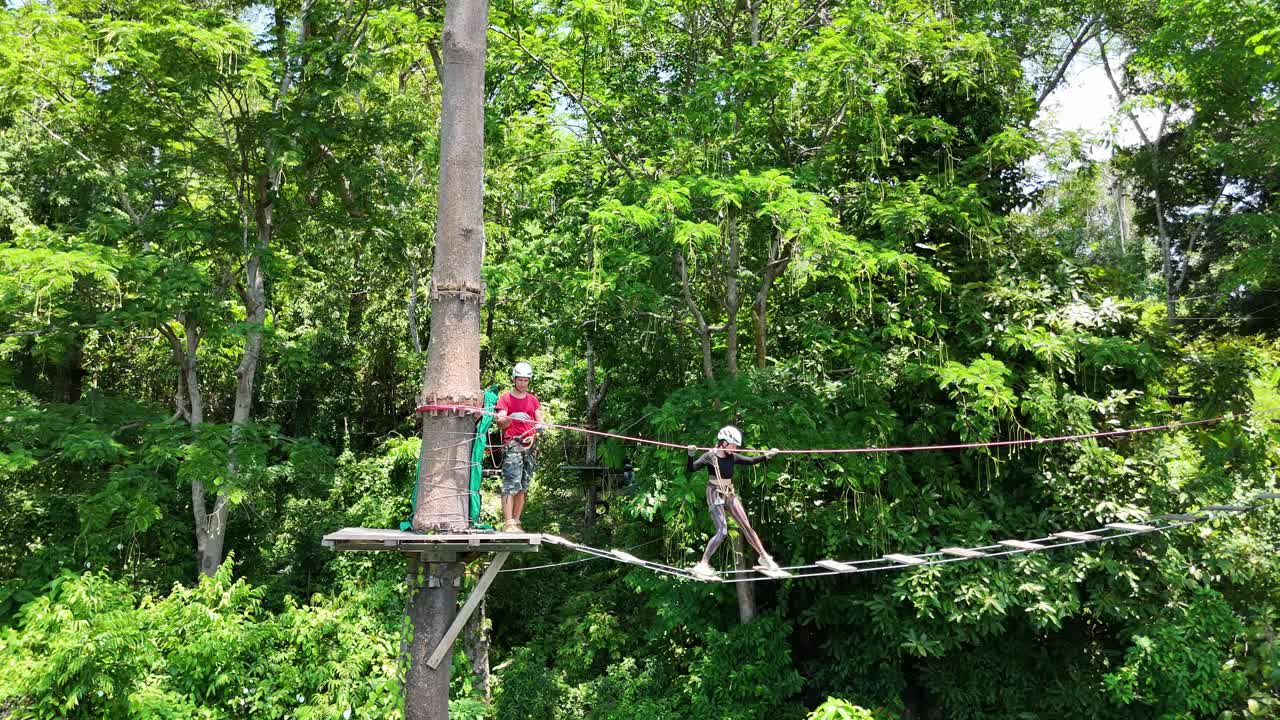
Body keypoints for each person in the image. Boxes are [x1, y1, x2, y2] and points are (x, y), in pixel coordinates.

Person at [686, 425, 780, 579]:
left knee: (746, 526)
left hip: (729, 493)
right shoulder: (709, 456)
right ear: (723, 442)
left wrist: (767, 455)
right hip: (714, 492)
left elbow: (751, 461)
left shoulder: (732, 457)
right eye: (733, 445)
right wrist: (690, 455)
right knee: (722, 531)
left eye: (736, 446)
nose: (735, 448)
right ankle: (702, 564)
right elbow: (691, 468)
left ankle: (764, 557)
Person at [495, 362, 543, 532]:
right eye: (520, 380)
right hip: (513, 444)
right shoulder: (506, 398)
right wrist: (512, 417)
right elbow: (500, 422)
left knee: (523, 485)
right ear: (514, 379)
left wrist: (540, 427)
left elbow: (539, 420)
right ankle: (508, 523)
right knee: (511, 484)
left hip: (530, 445)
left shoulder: (533, 400)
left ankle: (516, 521)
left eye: (526, 380)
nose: (523, 383)